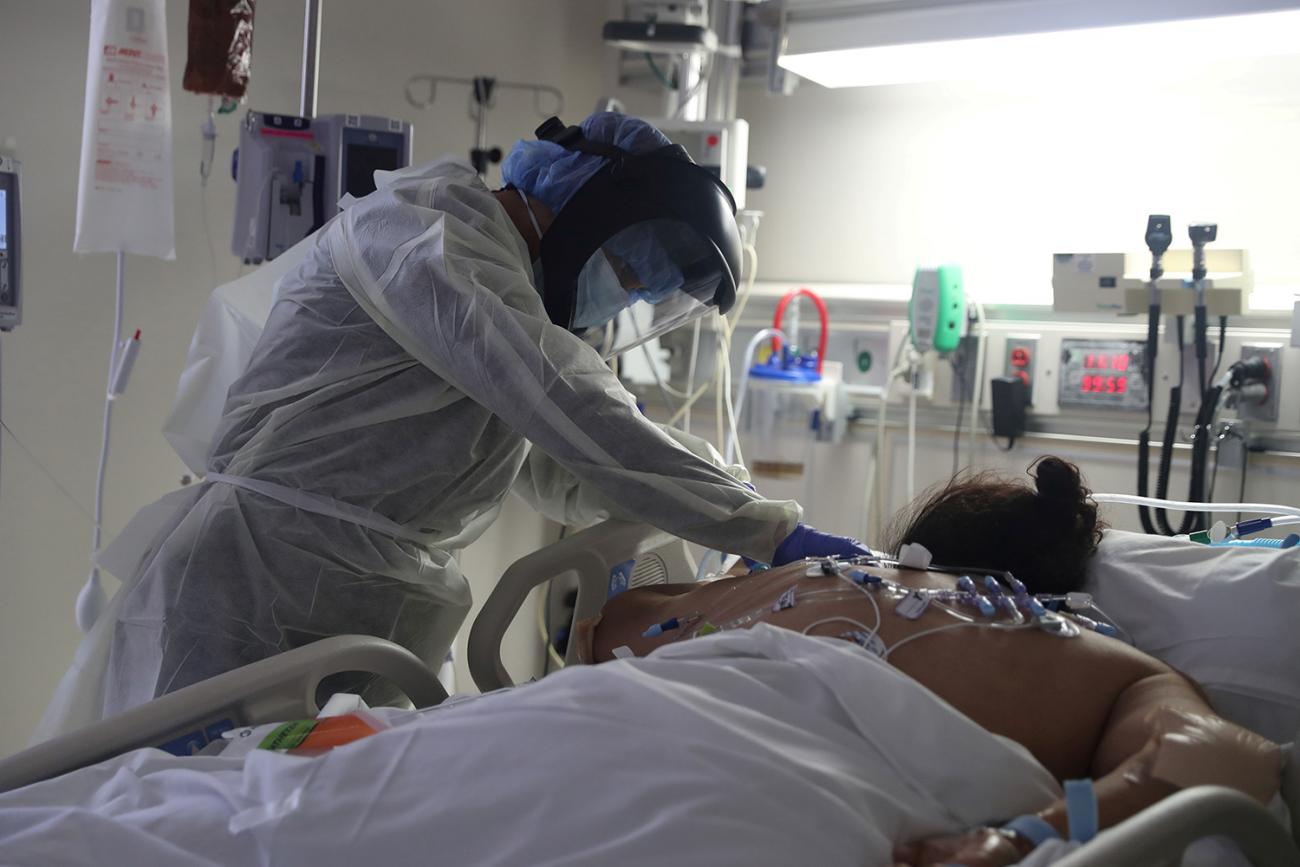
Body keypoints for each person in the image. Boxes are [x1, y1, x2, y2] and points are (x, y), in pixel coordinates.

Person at [36, 112, 867, 737]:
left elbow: (553, 462)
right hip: (245, 595)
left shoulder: (506, 297)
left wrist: (683, 505)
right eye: (627, 268)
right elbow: (563, 396)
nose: (622, 297)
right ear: (584, 206)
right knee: (173, 824)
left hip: (355, 618)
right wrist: (770, 527)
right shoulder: (427, 235)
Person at [575, 502, 1282, 865]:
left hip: (555, 745)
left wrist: (734, 581)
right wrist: (1028, 837)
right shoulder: (1078, 656)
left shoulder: (790, 581)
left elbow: (606, 627)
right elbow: (1226, 757)